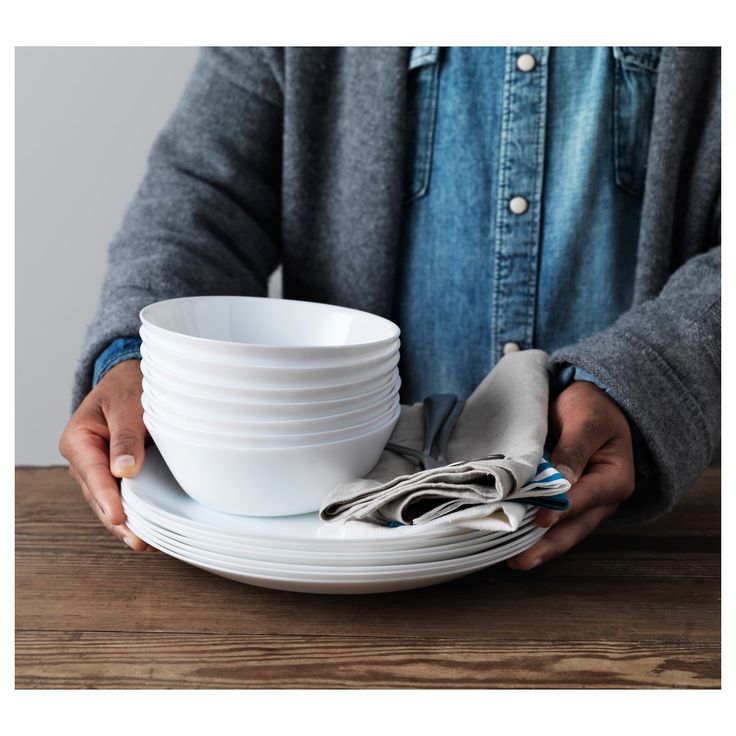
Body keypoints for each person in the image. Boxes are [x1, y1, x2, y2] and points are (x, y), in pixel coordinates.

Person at [59, 47, 721, 569]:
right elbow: (205, 191)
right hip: (321, 558)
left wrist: (644, 383)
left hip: (633, 559)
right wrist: (139, 357)